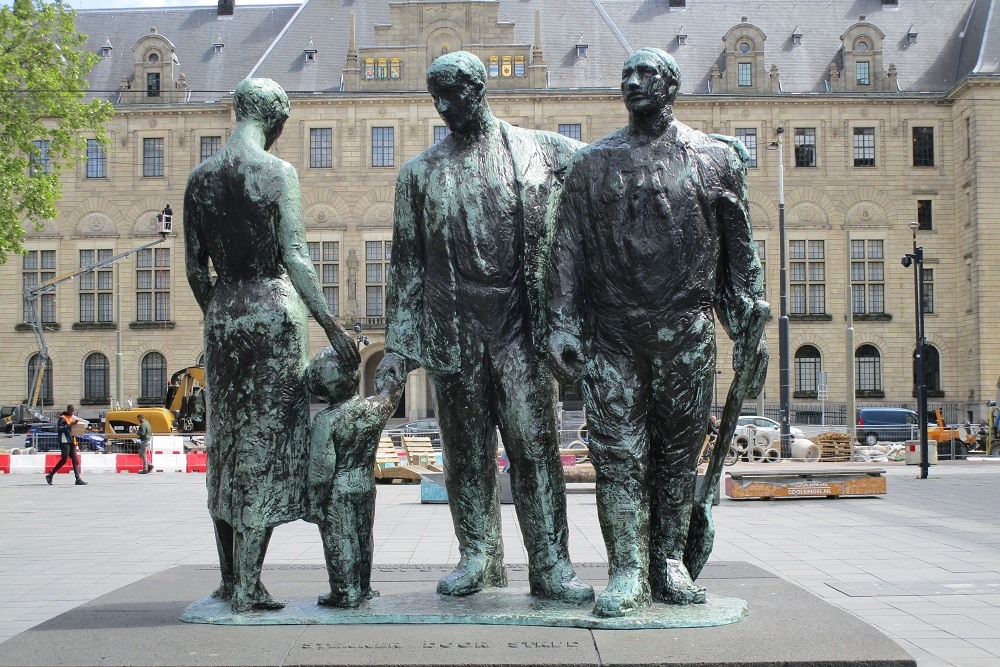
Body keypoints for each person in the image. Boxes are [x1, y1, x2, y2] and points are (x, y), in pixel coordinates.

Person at [546, 47, 768, 617]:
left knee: (676, 452)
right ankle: (626, 569)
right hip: (613, 335)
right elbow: (566, 249)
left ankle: (667, 560)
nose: (633, 82)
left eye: (646, 75)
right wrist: (564, 324)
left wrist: (746, 320)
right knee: (618, 453)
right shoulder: (593, 164)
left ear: (671, 86)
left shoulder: (714, 158)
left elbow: (739, 252)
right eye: (626, 75)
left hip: (685, 331)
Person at [375, 51, 592, 604]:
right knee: (465, 455)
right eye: (435, 96)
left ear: (479, 89)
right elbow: (405, 267)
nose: (444, 106)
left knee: (534, 448)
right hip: (456, 333)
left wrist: (714, 153)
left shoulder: (539, 150)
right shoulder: (419, 175)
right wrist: (401, 345)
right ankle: (478, 556)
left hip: (520, 331)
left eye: (452, 93)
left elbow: (608, 167)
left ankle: (551, 564)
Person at [184, 77, 359, 613]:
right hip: (271, 314)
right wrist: (330, 325)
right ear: (278, 121)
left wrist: (220, 310)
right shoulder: (278, 173)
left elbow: (195, 268)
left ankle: (229, 576)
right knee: (265, 448)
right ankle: (247, 587)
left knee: (226, 446)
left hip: (223, 315)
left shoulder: (200, 179)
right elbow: (297, 258)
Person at [305, 347, 402, 608]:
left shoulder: (327, 420)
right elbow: (391, 395)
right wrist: (393, 365)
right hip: (365, 484)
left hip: (338, 487)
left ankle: (344, 591)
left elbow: (321, 468)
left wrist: (314, 500)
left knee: (340, 539)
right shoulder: (373, 408)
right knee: (363, 537)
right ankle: (364, 586)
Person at [46, 404, 87, 486]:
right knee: (64, 459)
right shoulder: (63, 418)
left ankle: (78, 478)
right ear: (68, 410)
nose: (72, 412)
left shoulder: (72, 418)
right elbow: (60, 429)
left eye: (73, 410)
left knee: (75, 459)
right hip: (64, 440)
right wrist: (70, 425)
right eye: (71, 410)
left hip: (71, 440)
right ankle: (50, 475)